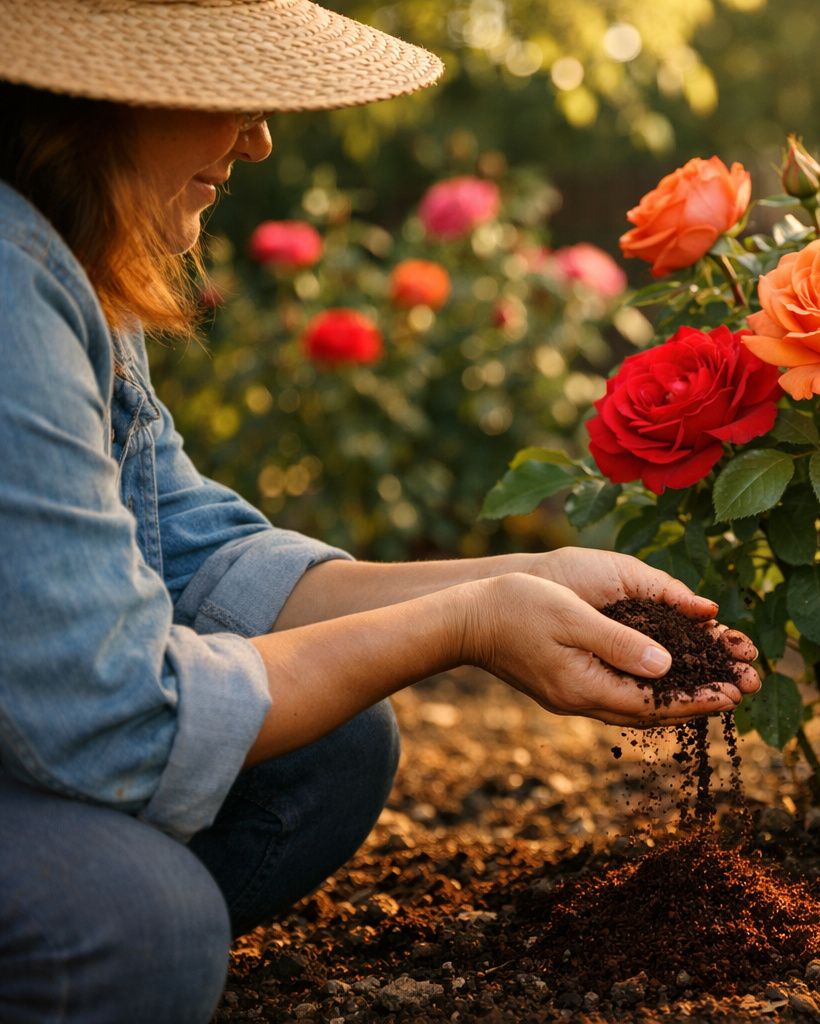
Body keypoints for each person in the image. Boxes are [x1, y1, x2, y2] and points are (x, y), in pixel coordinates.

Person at [0, 2, 760, 1020]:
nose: (260, 134)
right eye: (226, 88)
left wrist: (523, 583)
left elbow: (192, 555)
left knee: (333, 745)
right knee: (140, 921)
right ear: (92, 93)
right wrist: (468, 623)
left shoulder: (64, 257)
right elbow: (120, 716)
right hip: (89, 723)